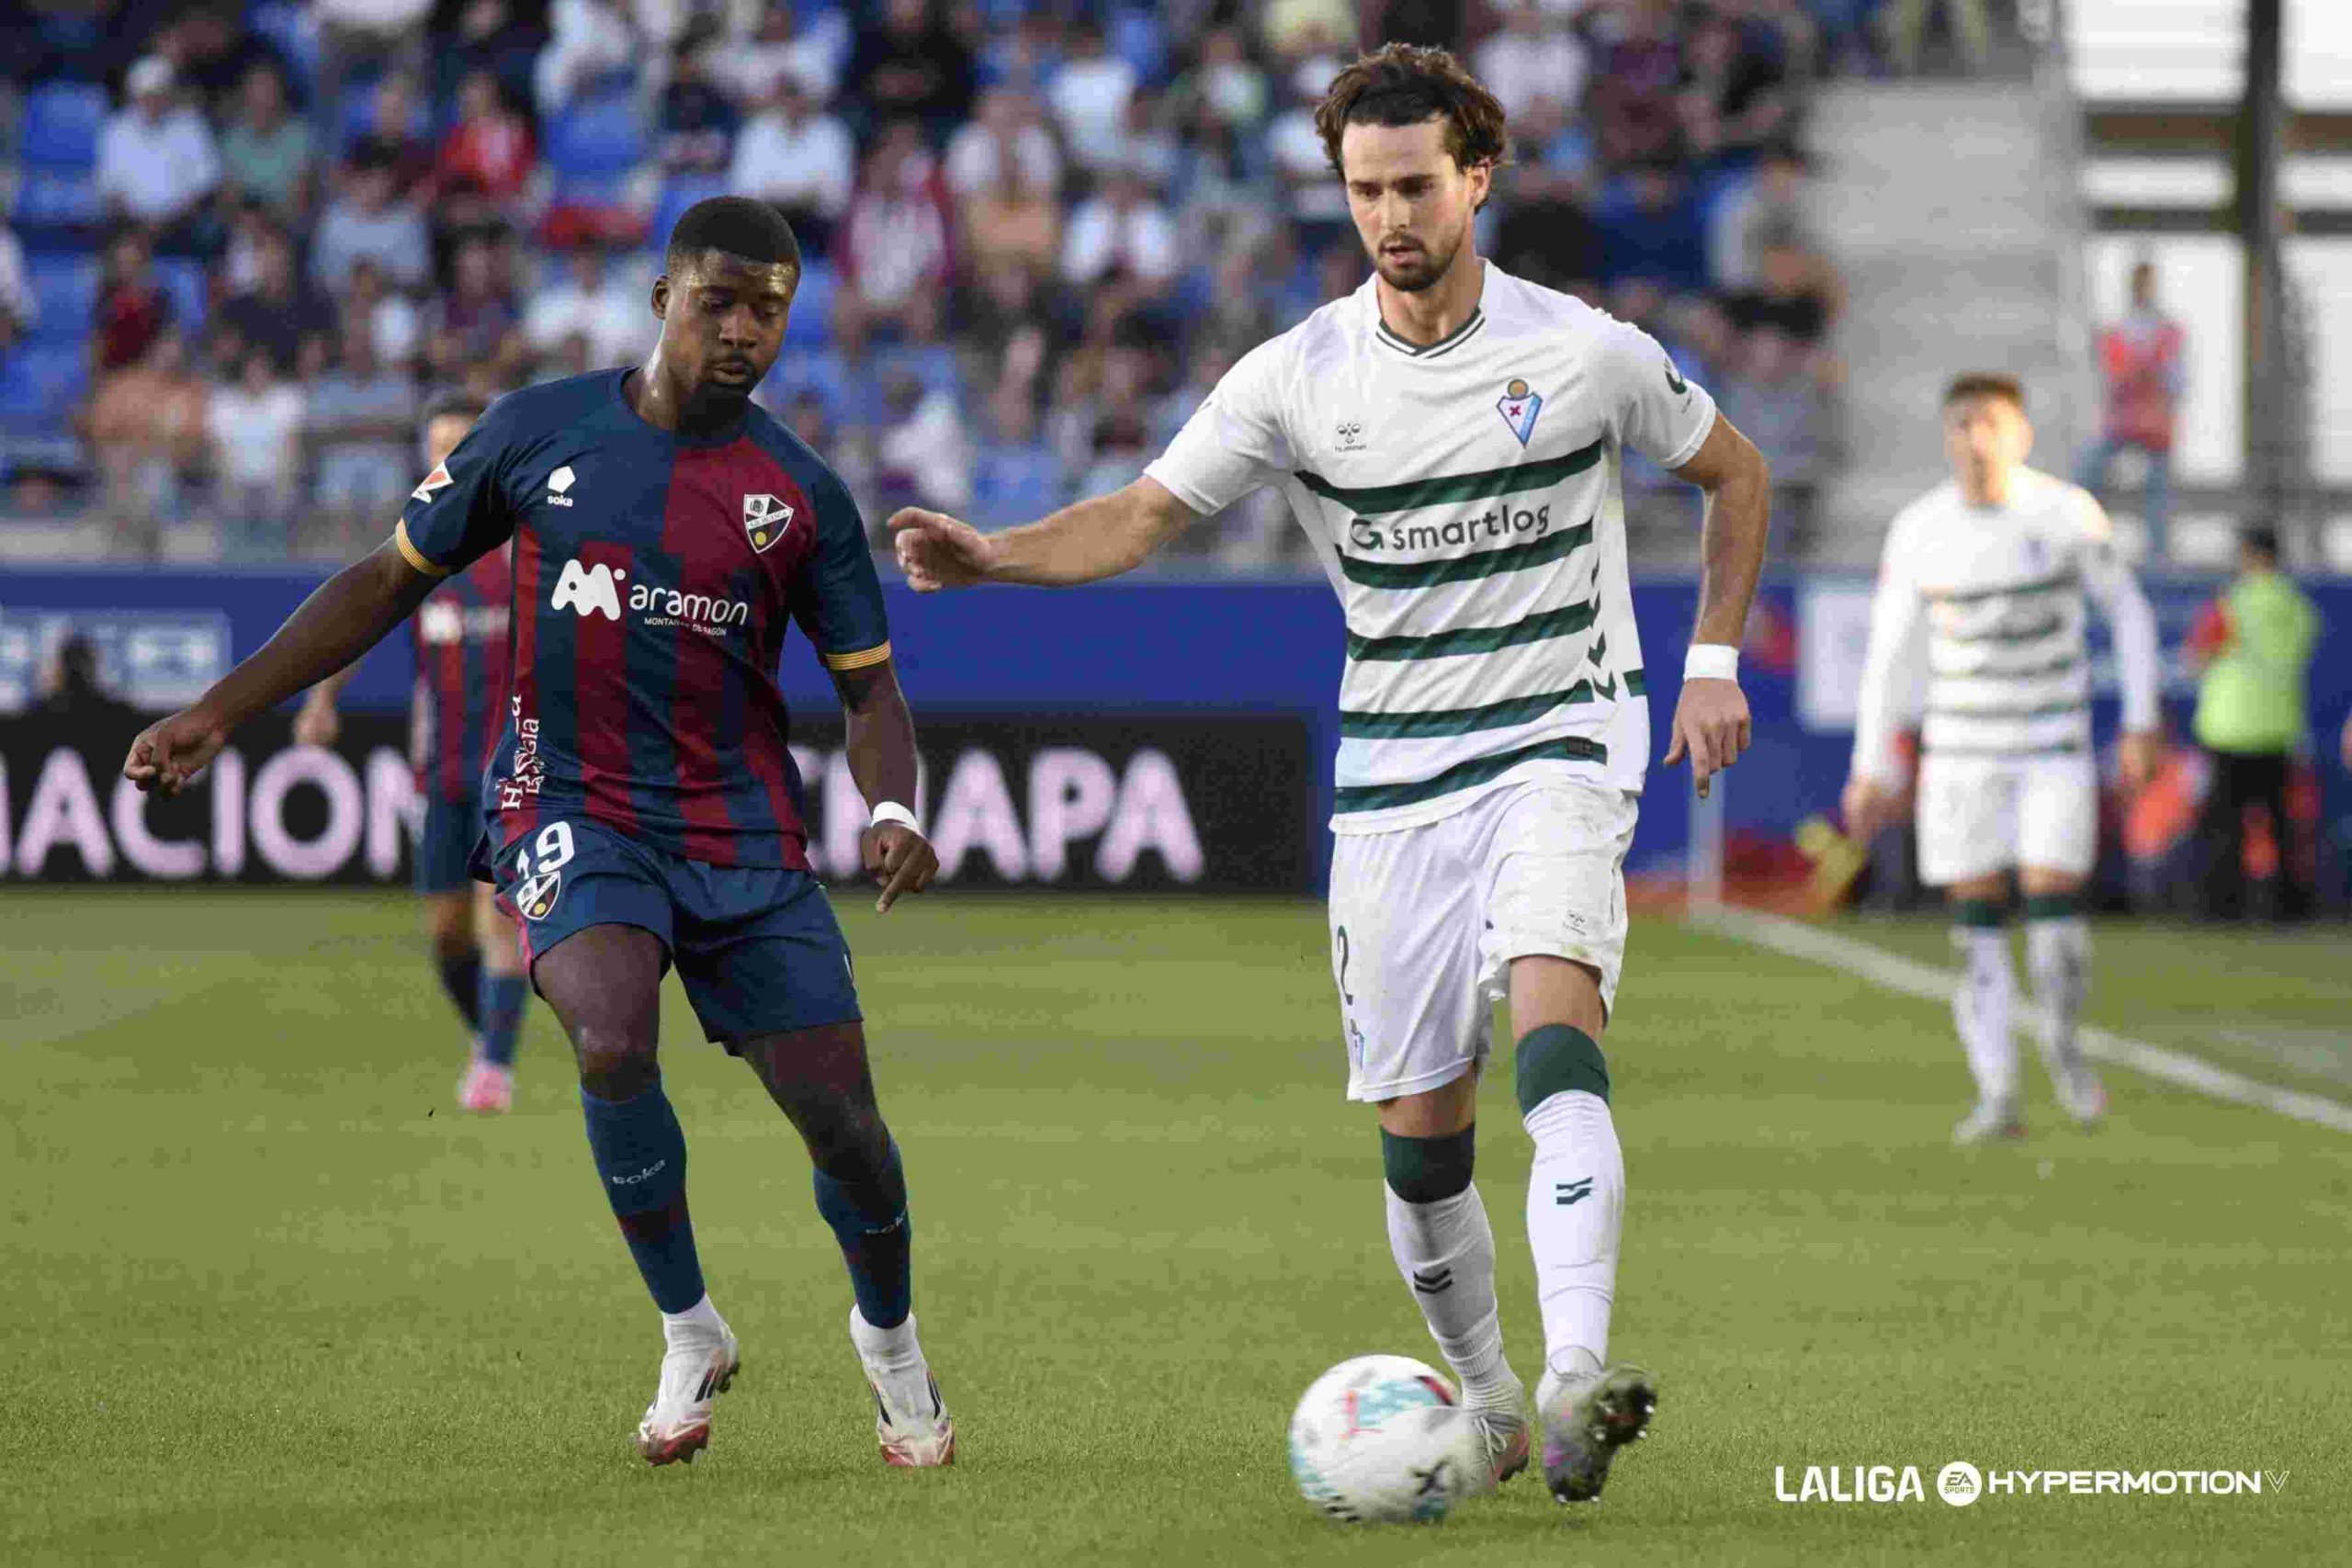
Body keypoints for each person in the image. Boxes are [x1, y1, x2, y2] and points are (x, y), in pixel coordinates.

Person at [893, 44, 1769, 1506]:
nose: (1388, 215)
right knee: (1421, 1136)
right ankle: (1487, 1395)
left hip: (1558, 738)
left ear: (1476, 176)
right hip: (1394, 786)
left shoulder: (1581, 350)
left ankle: (1573, 1376)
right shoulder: (1298, 377)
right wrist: (996, 555)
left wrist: (1714, 661)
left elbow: (1734, 471)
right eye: (1363, 190)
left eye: (1414, 183)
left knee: (1560, 1018)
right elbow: (1140, 512)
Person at [125, 197, 956, 1472]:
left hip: (738, 829)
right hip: (571, 802)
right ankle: (690, 1323)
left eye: (769, 309)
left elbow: (867, 688)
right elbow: (383, 582)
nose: (742, 330)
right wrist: (223, 707)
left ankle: (891, 1339)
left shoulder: (801, 496)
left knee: (843, 1122)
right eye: (718, 300)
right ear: (663, 296)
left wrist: (894, 806)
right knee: (612, 1035)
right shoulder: (537, 430)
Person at [1844, 374, 2162, 1145]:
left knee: (2055, 922)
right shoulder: (1920, 530)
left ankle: (2064, 1053)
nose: (1976, 438)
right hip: (1960, 753)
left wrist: (2142, 719)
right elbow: (1889, 651)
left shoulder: (2065, 515)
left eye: (1991, 423)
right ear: (1948, 435)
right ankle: (1997, 1093)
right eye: (1962, 423)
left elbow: (2128, 611)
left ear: (2021, 434)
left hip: (2052, 744)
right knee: (1976, 926)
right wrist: (1871, 766)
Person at [297, 393, 532, 1110]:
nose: (449, 460)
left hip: (515, 772)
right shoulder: (417, 553)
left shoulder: (526, 546)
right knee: (445, 932)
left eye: (461, 445)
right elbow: (357, 626)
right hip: (441, 772)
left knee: (499, 917)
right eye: (439, 446)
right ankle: (491, 1032)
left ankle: (493, 1066)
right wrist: (321, 699)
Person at [2185, 525, 2320, 919]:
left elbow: (2199, 657)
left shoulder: (2230, 603)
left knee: (2224, 826)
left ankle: (2223, 908)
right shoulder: (2297, 606)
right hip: (2278, 728)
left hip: (2229, 727)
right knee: (2280, 826)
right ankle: (2288, 910)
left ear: (2251, 555)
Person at [2076, 260, 2185, 560]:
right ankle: (2086, 543)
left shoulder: (2168, 333)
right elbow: (2110, 379)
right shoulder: (2117, 332)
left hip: (2156, 430)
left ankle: (2158, 556)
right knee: (2086, 469)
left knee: (2158, 491)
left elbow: (2177, 383)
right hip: (2121, 426)